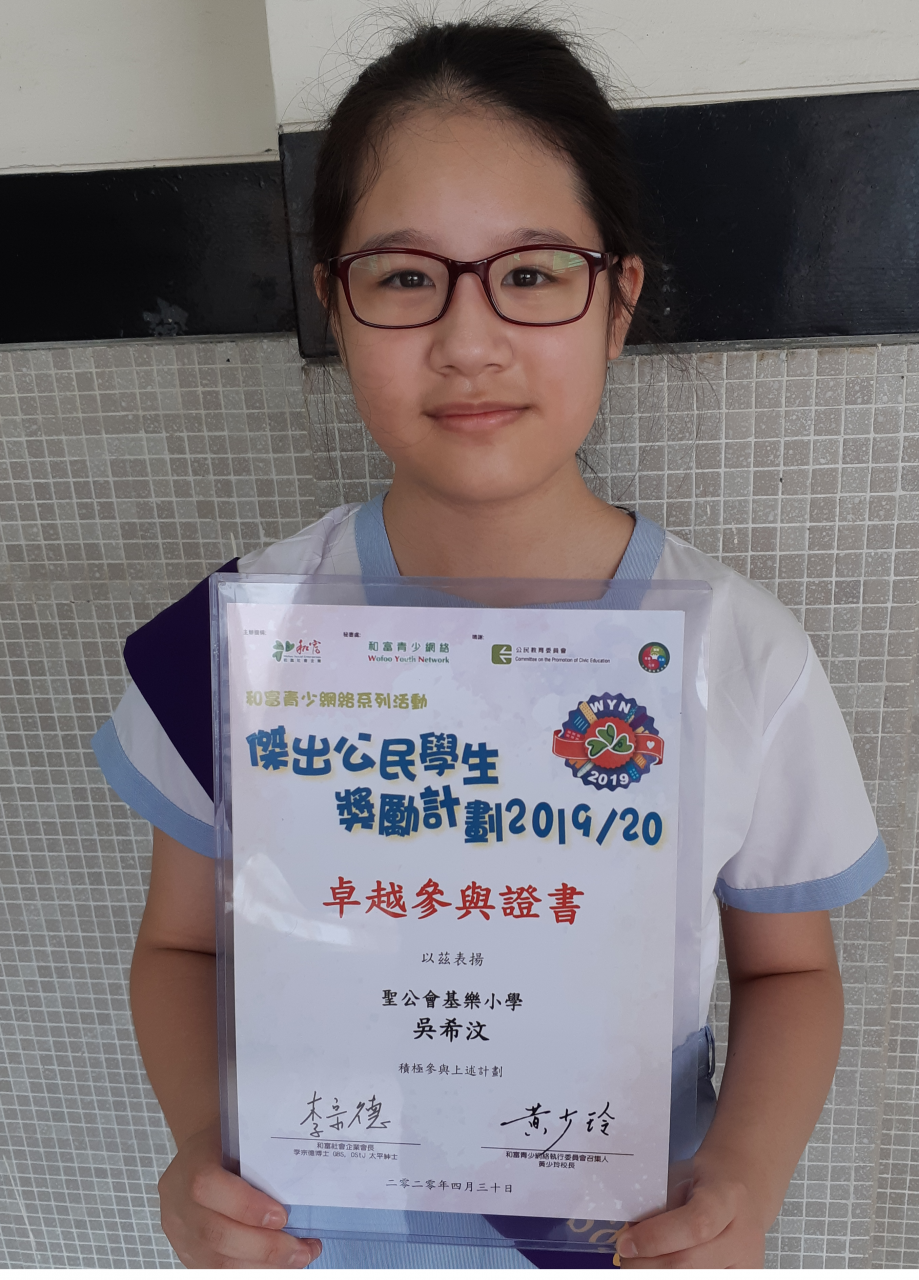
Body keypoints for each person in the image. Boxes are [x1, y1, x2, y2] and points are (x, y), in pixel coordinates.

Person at [92, 17, 887, 1269]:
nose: (469, 341)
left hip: (616, 1245)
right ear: (334, 305)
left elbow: (791, 973)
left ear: (616, 302)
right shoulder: (237, 637)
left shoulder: (739, 655)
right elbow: (180, 943)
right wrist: (201, 1141)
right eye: (405, 277)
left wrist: (745, 1177)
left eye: (533, 271)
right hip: (319, 1242)